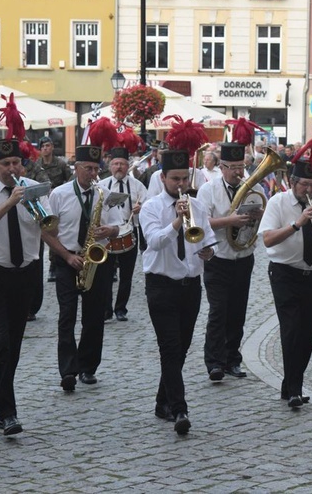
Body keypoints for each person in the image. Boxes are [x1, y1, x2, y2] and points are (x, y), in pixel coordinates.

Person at [0, 132, 52, 436]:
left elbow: (47, 227)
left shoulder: (34, 189)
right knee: (0, 340)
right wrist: (10, 202)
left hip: (25, 272)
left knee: (13, 346)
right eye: (6, 163)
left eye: (17, 162)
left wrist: (68, 256)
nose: (12, 168)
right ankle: (8, 413)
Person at [258, 130, 312, 409]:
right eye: (304, 185)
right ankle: (294, 389)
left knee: (307, 333)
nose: (309, 191)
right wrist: (297, 223)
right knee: (291, 329)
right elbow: (268, 239)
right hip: (285, 274)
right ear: (292, 182)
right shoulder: (278, 203)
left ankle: (291, 385)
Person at [141, 149, 216, 435]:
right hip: (161, 285)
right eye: (175, 179)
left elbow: (206, 239)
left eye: (185, 178)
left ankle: (163, 401)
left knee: (182, 348)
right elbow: (154, 242)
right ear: (163, 178)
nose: (180, 184)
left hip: (190, 286)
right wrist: (175, 222)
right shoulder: (151, 207)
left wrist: (208, 251)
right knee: (170, 347)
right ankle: (179, 408)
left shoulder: (196, 205)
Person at [43, 144, 121, 392]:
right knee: (67, 316)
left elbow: (120, 226)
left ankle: (88, 367)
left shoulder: (104, 192)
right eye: (88, 168)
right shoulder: (59, 194)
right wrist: (66, 256)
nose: (93, 174)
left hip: (96, 259)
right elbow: (46, 232)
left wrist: (112, 230)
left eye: (96, 169)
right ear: (76, 169)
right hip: (68, 259)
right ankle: (67, 370)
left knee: (94, 316)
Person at [197, 140, 265, 382]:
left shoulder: (253, 188)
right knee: (218, 311)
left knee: (237, 311)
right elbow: (202, 223)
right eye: (233, 167)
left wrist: (258, 216)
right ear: (222, 166)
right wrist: (230, 221)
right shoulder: (208, 190)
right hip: (218, 258)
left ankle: (232, 360)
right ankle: (214, 362)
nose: (239, 171)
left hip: (243, 257)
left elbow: (261, 219)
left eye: (241, 166)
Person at [99, 136, 148, 322]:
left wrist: (140, 208)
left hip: (129, 231)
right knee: (105, 273)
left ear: (128, 166)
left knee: (126, 274)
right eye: (115, 164)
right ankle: (106, 310)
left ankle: (121, 309)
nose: (119, 167)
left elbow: (149, 204)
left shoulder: (137, 185)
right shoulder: (102, 186)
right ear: (110, 166)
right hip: (108, 233)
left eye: (122, 164)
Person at [19, 141, 50, 322]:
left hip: (33, 220)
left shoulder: (35, 168)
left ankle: (32, 306)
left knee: (34, 267)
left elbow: (46, 184)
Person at [36, 136, 72, 282]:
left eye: (48, 145)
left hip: (58, 200)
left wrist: (59, 191)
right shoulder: (36, 165)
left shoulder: (61, 164)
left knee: (55, 231)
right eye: (43, 146)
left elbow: (70, 180)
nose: (45, 148)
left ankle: (54, 264)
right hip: (41, 202)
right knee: (42, 232)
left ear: (52, 147)